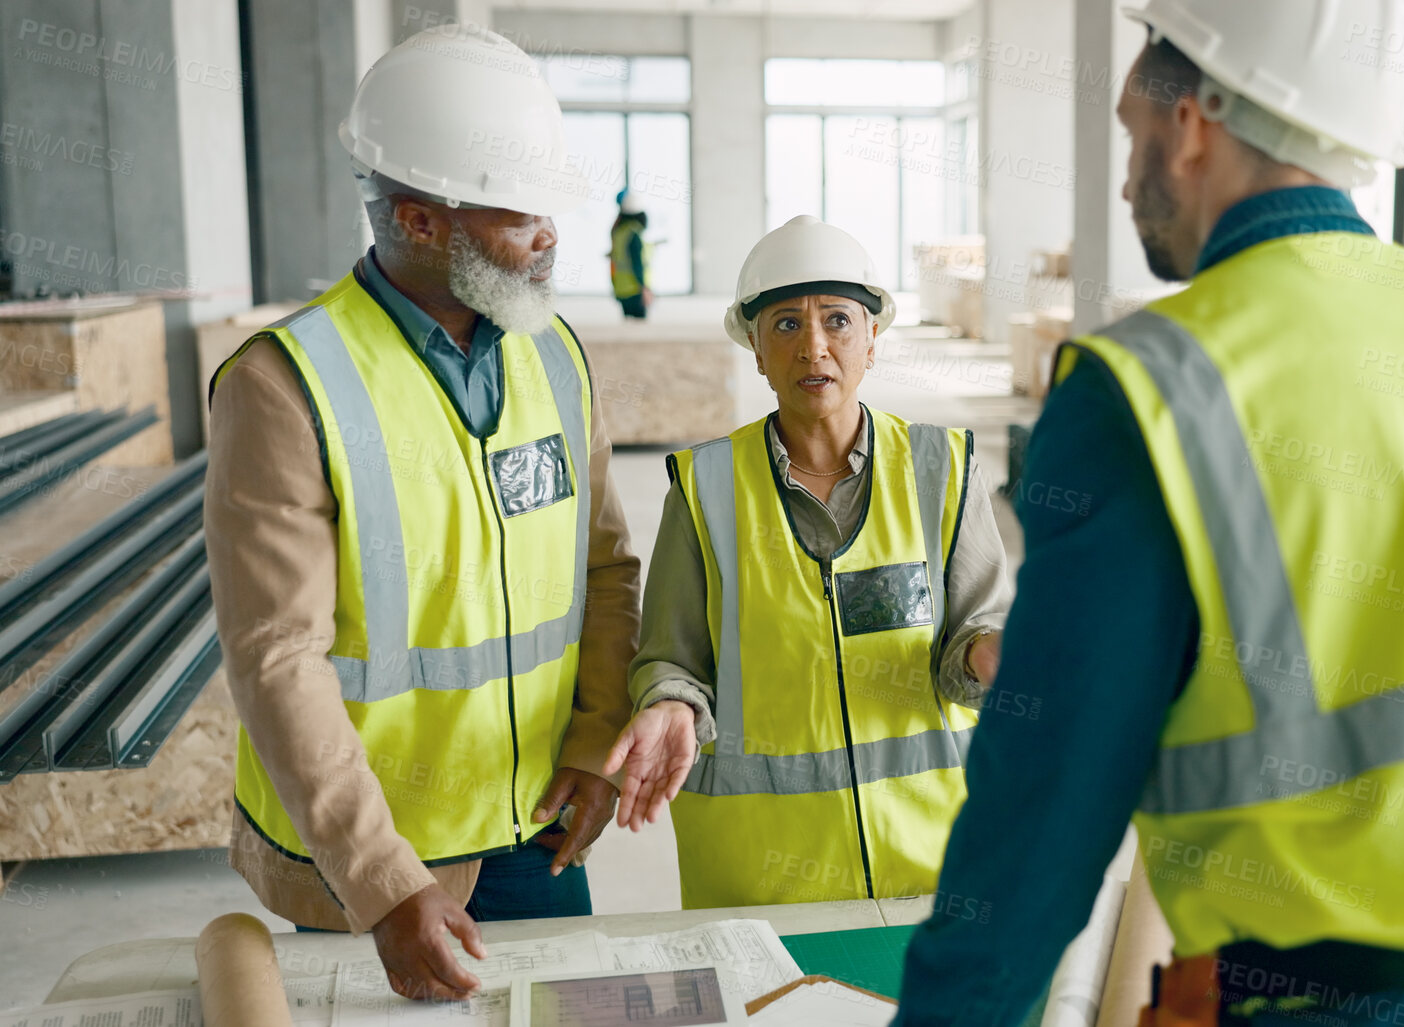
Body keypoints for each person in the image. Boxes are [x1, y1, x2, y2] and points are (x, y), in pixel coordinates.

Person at [893, 2, 1404, 1025]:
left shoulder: (1155, 388)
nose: (1129, 176)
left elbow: (1037, 827)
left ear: (1192, 125)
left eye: (1136, 133)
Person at [205, 24, 641, 1004]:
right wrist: (384, 883)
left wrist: (593, 741)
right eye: (521, 211)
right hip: (371, 868)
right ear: (420, 219)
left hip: (538, 826)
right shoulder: (287, 387)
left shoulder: (555, 356)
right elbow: (277, 657)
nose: (551, 234)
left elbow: (606, 570)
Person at [603, 215, 1012, 909]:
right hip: (760, 881)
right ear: (756, 350)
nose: (814, 346)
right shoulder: (705, 489)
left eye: (838, 321)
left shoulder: (942, 469)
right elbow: (671, 657)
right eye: (786, 325)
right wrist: (668, 701)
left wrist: (991, 655)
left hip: (935, 867)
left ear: (872, 339)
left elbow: (976, 635)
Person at [611, 191, 653, 320]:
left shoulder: (618, 232)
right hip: (635, 290)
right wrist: (644, 289)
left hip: (621, 289)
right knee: (640, 331)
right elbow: (637, 263)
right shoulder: (634, 234)